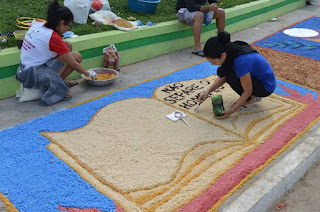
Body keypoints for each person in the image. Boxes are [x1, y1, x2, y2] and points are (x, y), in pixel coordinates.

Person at [16, 0, 97, 106]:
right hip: (32, 75)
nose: (67, 29)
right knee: (76, 57)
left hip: (24, 70)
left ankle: (61, 81)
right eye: (68, 26)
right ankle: (56, 87)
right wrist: (90, 74)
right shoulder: (53, 38)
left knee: (67, 45)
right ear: (62, 23)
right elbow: (74, 64)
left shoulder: (38, 24)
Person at [198, 31, 277, 119]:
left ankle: (251, 99)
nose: (213, 64)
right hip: (258, 78)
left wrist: (231, 110)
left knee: (231, 75)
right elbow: (222, 77)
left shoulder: (240, 62)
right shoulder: (229, 49)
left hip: (266, 87)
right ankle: (251, 97)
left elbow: (248, 90)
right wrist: (207, 92)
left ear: (223, 55)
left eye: (213, 61)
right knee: (227, 71)